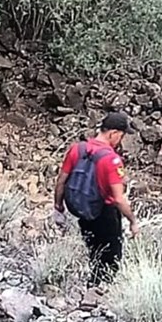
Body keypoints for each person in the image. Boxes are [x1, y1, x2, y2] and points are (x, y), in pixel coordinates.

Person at [53, 112, 140, 287]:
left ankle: (91, 288)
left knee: (93, 251)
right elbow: (118, 199)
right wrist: (133, 221)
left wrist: (58, 207)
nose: (120, 140)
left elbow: (61, 181)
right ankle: (97, 293)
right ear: (113, 133)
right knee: (110, 257)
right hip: (105, 214)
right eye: (121, 136)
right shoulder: (112, 160)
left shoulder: (77, 149)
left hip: (82, 210)